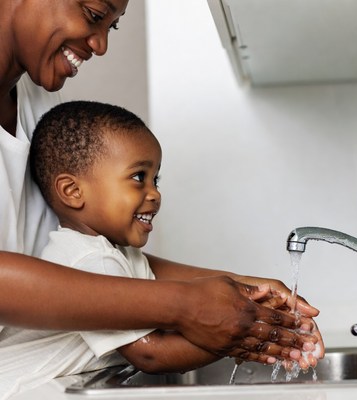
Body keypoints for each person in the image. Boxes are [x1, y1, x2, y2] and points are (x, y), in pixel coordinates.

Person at [0, 1, 323, 395]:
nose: (100, 45)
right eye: (94, 14)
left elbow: (93, 262)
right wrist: (191, 307)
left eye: (112, 28)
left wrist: (245, 293)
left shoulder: (40, 106)